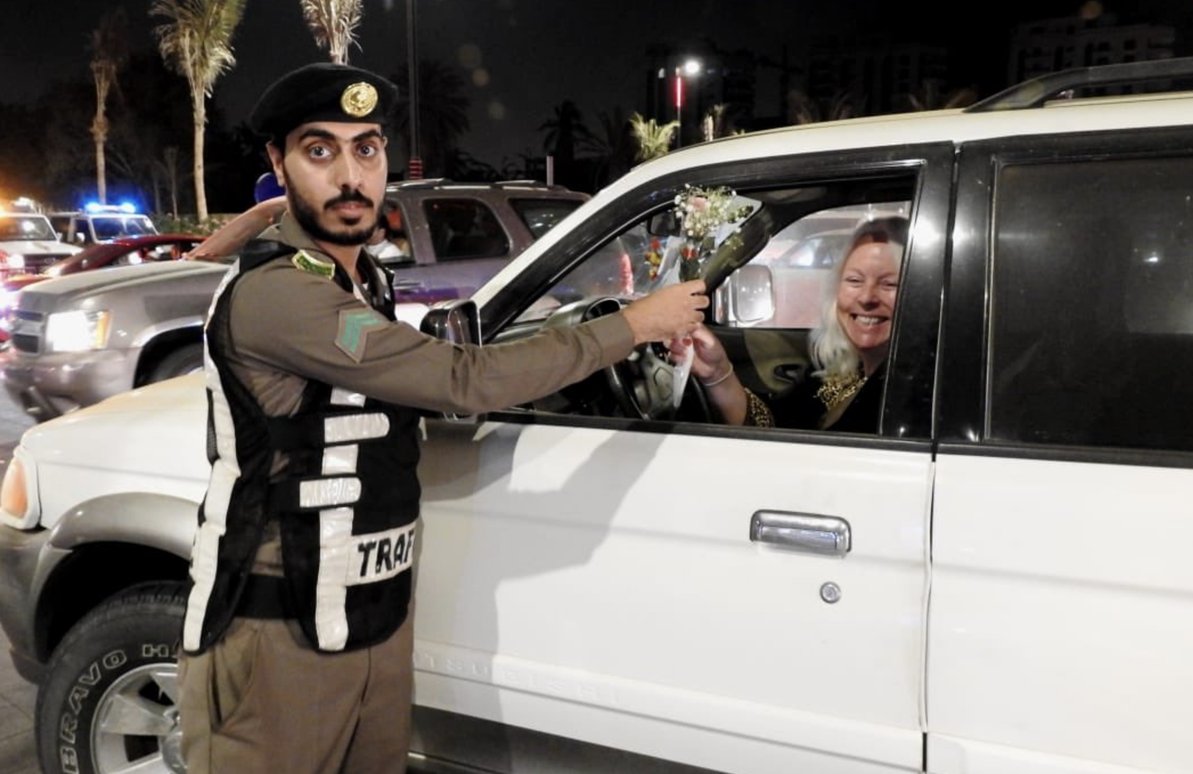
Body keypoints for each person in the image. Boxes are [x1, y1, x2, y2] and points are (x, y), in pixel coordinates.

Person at [176, 61, 708, 774]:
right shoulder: (281, 297)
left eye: (365, 149)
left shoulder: (362, 278)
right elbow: (462, 380)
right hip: (274, 640)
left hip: (371, 625)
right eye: (318, 150)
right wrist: (632, 326)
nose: (348, 178)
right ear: (279, 163)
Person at [670, 216, 907, 432]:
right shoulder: (842, 370)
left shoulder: (914, 393)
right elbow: (773, 427)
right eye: (854, 281)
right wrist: (717, 371)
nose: (866, 298)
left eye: (889, 284)